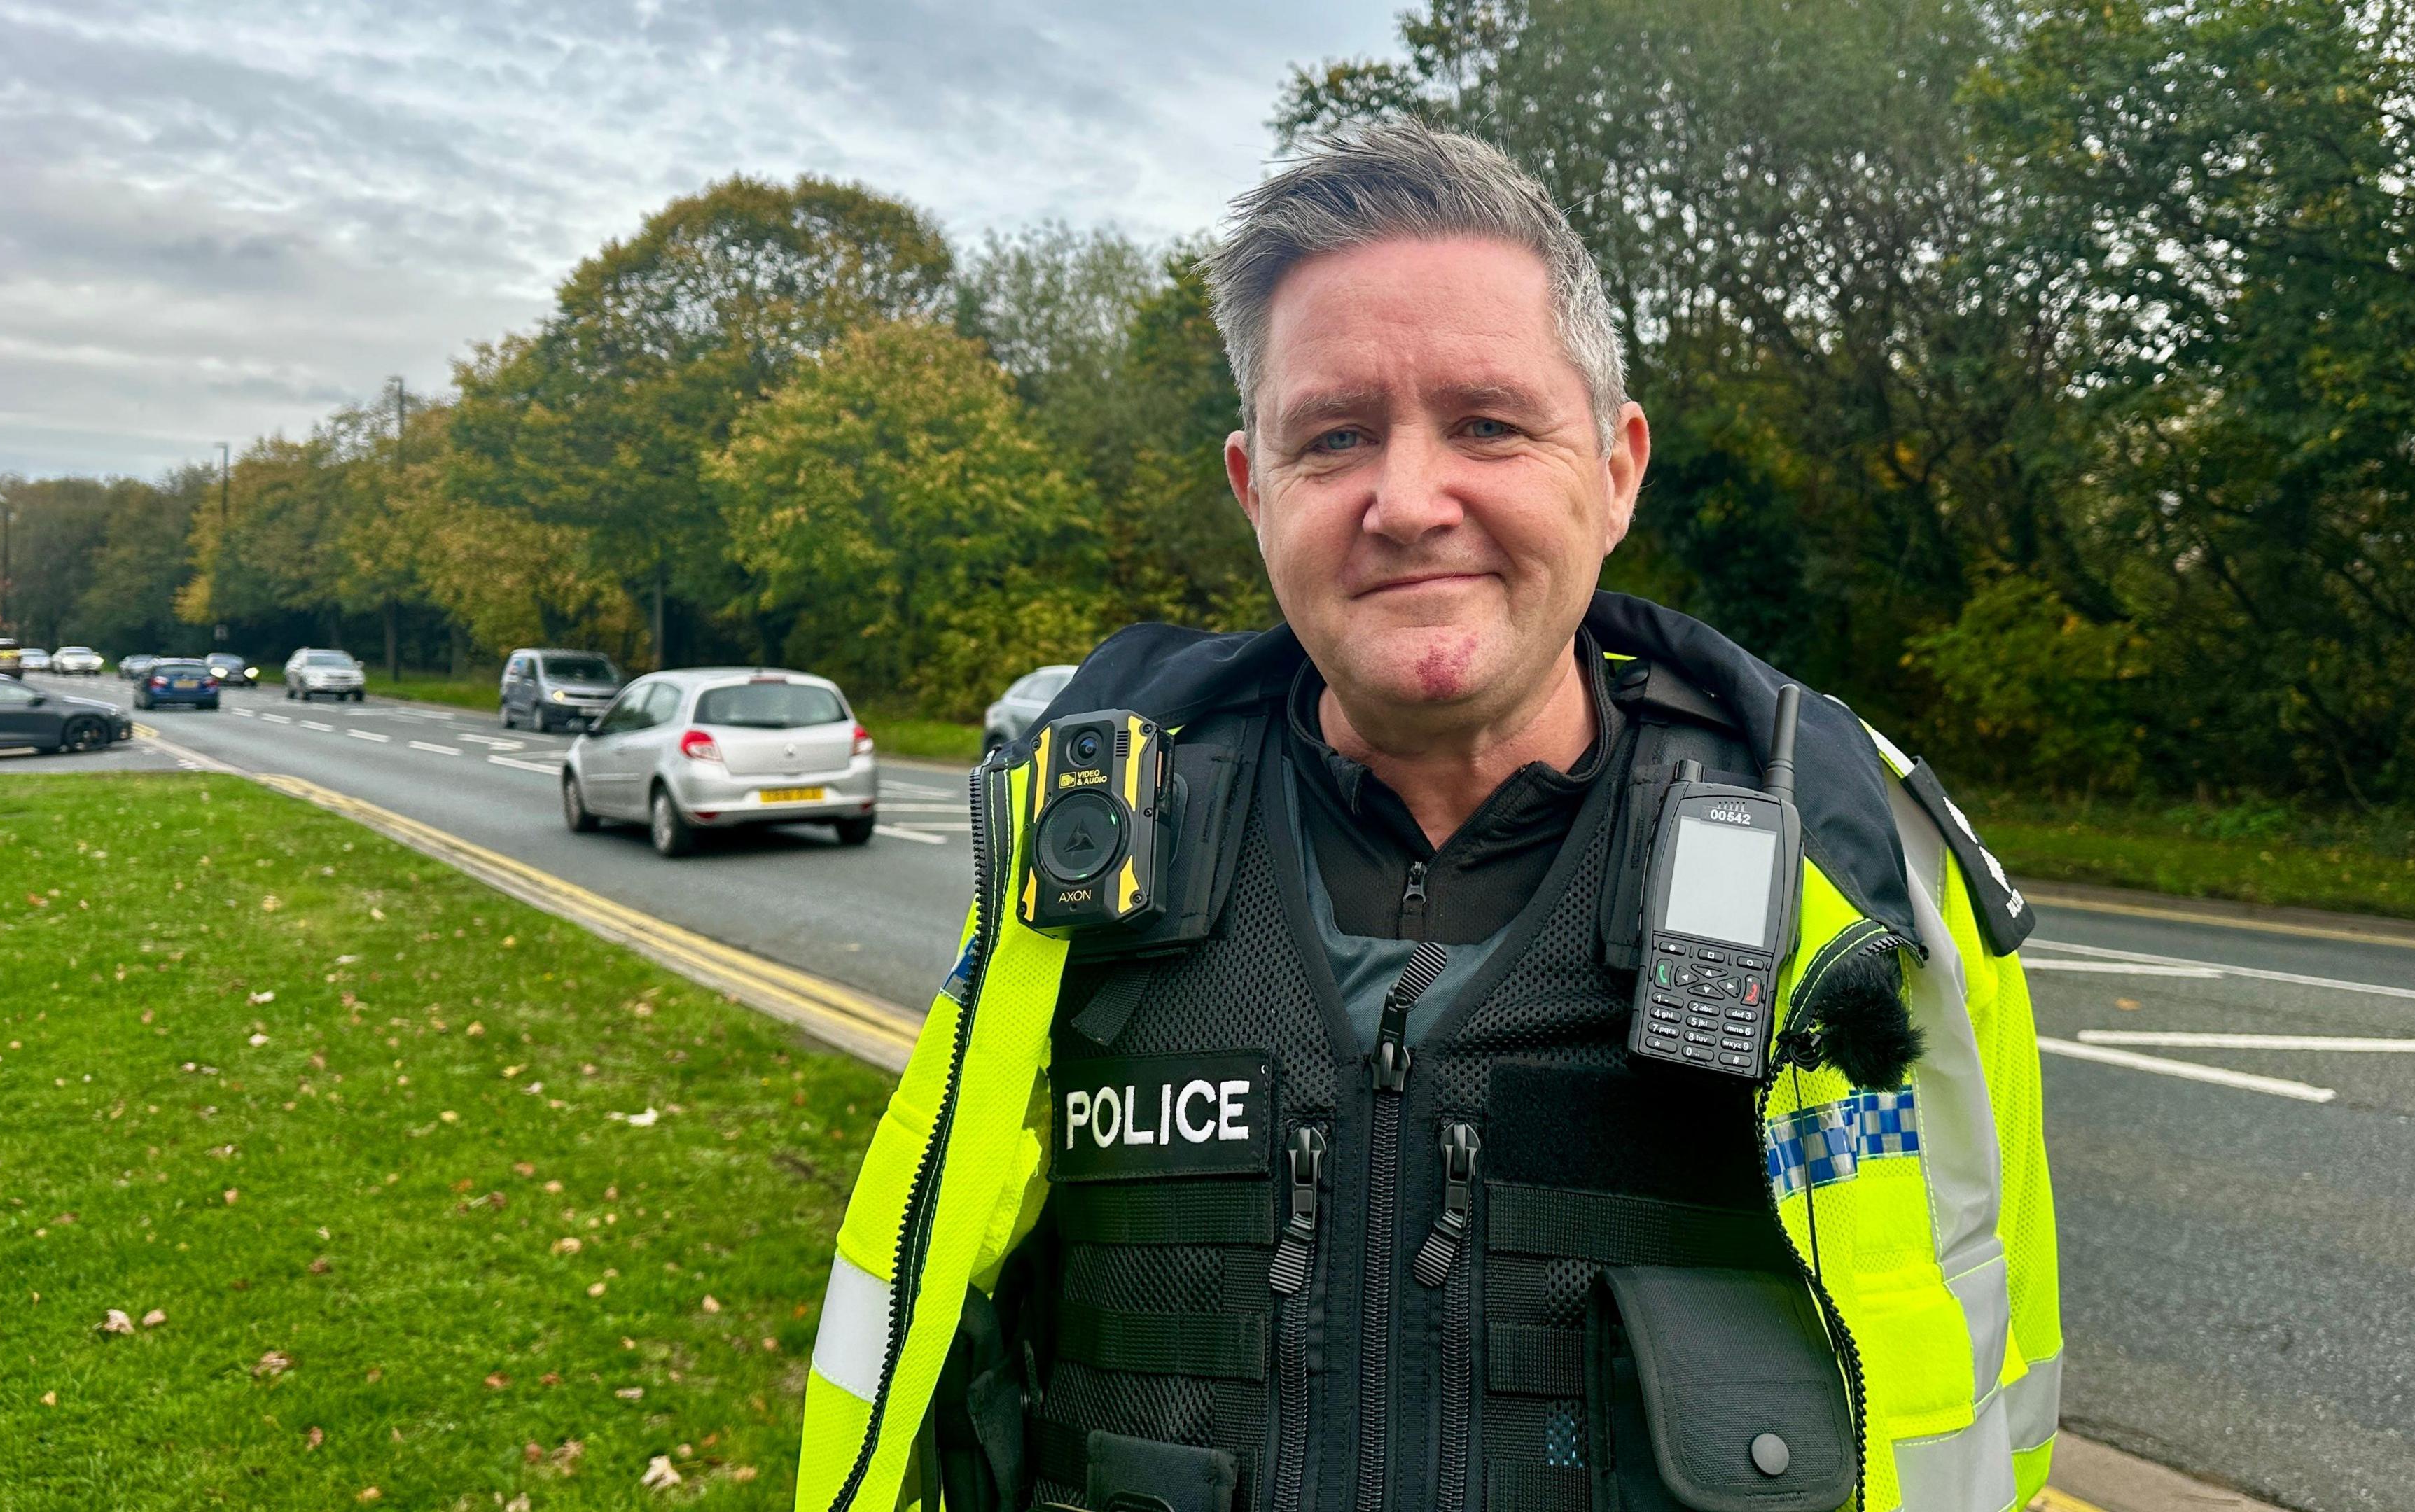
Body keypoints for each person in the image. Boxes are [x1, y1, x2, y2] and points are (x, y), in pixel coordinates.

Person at [798, 120, 2059, 1512]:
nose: (1406, 504)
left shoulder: (1866, 887)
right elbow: (900, 1373)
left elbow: (1980, 1413)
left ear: (1620, 468)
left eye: (1490, 425)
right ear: (1253, 488)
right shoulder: (1076, 862)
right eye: (1334, 436)